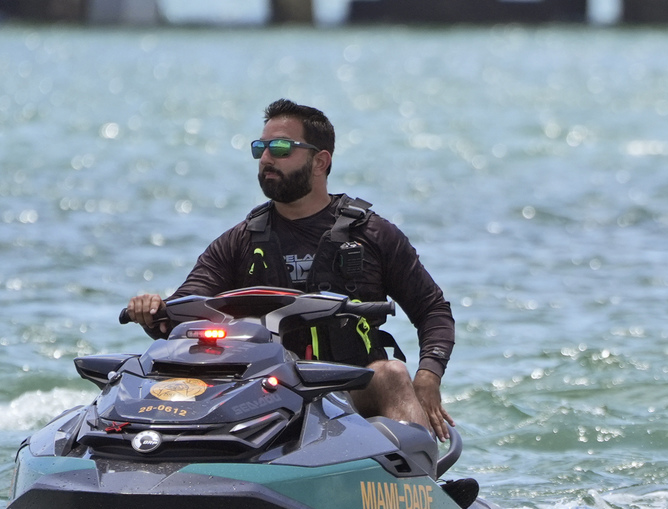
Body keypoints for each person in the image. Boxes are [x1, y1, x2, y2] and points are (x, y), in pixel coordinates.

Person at [126, 99, 456, 438]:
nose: (267, 158)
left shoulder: (373, 235)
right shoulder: (239, 241)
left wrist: (428, 377)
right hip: (261, 394)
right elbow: (183, 310)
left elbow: (433, 310)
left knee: (391, 374)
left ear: (320, 161)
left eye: (281, 148)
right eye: (261, 149)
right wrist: (153, 310)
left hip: (351, 390)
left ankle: (416, 480)